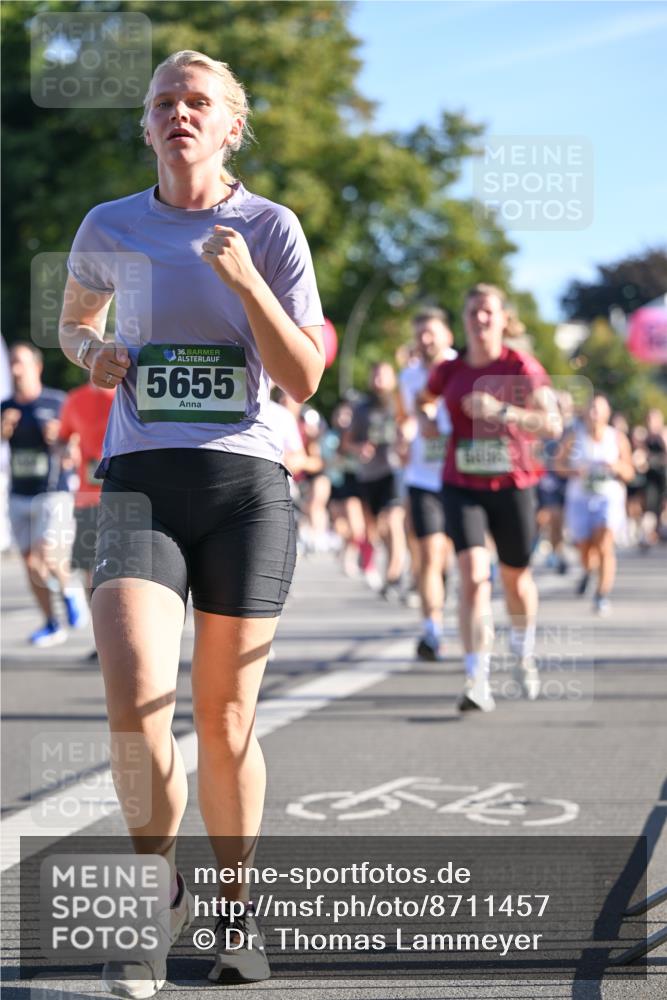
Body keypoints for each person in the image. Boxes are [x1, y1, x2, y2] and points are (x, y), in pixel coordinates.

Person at [59, 50, 324, 995]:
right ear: (147, 124)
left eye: (198, 101)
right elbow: (76, 322)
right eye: (164, 100)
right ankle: (150, 901)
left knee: (224, 717)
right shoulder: (109, 223)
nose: (180, 111)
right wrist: (91, 351)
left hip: (245, 486)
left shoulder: (271, 227)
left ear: (229, 127)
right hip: (137, 481)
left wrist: (248, 282)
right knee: (136, 712)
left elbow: (300, 379)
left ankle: (236, 911)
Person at [422, 284, 562, 712]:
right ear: (463, 320)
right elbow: (423, 399)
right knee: (471, 575)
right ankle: (476, 676)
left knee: (515, 580)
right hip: (461, 482)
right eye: (472, 313)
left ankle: (522, 650)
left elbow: (552, 424)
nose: (479, 320)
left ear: (503, 319)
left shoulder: (519, 365)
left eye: (487, 312)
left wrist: (503, 412)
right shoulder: (450, 369)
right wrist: (428, 421)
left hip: (514, 484)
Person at [1, 342, 86, 645]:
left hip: (53, 493)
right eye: (11, 362)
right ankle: (52, 622)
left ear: (37, 368)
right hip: (19, 494)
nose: (14, 369)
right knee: (29, 564)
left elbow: (77, 448)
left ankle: (70, 591)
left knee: (46, 555)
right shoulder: (6, 407)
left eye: (20, 362)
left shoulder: (57, 402)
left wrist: (61, 442)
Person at [398, 307, 456, 661]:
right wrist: (403, 438)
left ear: (447, 335)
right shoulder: (408, 377)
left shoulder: (461, 369)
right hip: (421, 476)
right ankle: (432, 631)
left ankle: (443, 600)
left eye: (432, 332)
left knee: (447, 557)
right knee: (429, 554)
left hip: (457, 474)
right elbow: (403, 419)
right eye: (420, 333)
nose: (425, 339)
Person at [558, 394, 634, 615]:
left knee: (604, 546)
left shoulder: (617, 438)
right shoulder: (574, 437)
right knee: (585, 548)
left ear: (607, 413)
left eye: (598, 409)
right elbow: (558, 465)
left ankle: (601, 594)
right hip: (579, 498)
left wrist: (616, 467)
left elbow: (629, 472)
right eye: (591, 409)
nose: (594, 414)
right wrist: (574, 470)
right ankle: (588, 570)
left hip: (608, 498)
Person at [343, 361, 406, 597]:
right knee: (377, 530)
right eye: (375, 376)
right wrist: (359, 448)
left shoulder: (400, 404)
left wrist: (405, 438)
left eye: (384, 376)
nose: (379, 381)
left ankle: (393, 575)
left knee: (393, 521)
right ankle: (394, 568)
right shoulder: (361, 409)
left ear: (392, 379)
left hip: (393, 470)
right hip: (369, 474)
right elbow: (346, 442)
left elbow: (414, 426)